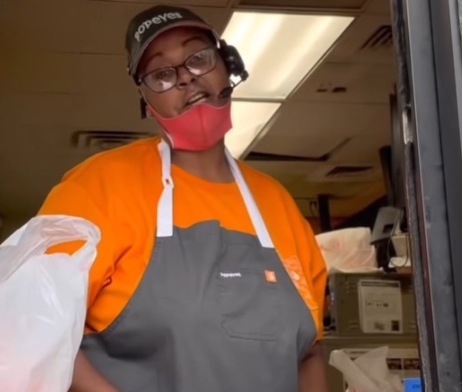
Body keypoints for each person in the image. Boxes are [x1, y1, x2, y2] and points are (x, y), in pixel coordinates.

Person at [38, 5, 329, 391]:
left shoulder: (278, 205)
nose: (186, 79)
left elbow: (308, 353)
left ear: (227, 65)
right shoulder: (98, 187)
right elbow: (39, 322)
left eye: (198, 58)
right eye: (162, 74)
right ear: (146, 99)